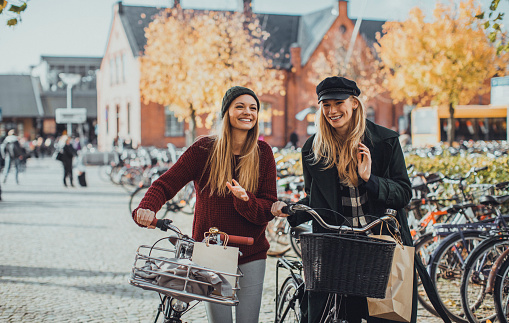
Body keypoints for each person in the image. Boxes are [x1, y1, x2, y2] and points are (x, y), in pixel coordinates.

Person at [271, 76, 450, 323]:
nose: (332, 111)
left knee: (387, 316)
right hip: (336, 248)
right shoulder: (314, 149)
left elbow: (403, 194)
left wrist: (370, 179)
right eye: (326, 105)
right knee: (335, 314)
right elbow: (317, 198)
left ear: (354, 103)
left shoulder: (385, 141)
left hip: (380, 246)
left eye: (338, 103)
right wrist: (292, 212)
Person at [133, 86, 277, 323]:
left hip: (252, 252)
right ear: (226, 112)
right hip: (211, 252)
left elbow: (268, 209)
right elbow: (166, 183)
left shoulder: (263, 153)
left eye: (253, 108)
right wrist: (147, 207)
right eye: (239, 106)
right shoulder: (203, 150)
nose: (247, 112)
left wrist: (245, 201)